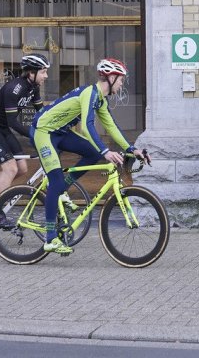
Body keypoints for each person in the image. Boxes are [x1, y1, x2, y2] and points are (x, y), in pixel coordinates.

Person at [30, 57, 146, 255]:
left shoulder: (100, 99)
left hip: (61, 132)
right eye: (120, 80)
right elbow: (87, 126)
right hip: (44, 131)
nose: (121, 84)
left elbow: (111, 126)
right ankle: (50, 238)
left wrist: (132, 149)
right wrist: (106, 151)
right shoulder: (89, 93)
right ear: (110, 77)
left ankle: (61, 188)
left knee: (92, 154)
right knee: (56, 182)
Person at [0, 54, 49, 217]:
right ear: (31, 72)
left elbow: (42, 113)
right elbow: (13, 122)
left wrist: (57, 127)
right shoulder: (14, 89)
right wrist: (35, 135)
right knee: (10, 168)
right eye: (43, 72)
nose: (45, 76)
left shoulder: (33, 88)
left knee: (22, 168)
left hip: (1, 129)